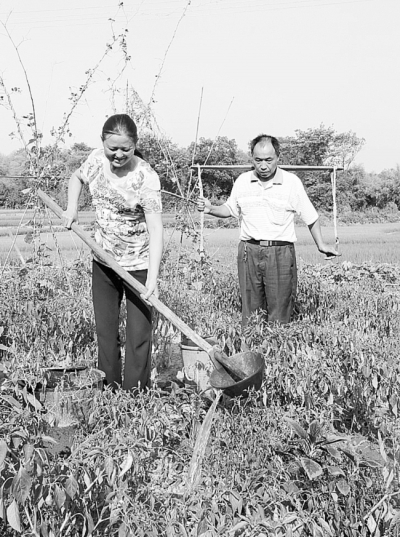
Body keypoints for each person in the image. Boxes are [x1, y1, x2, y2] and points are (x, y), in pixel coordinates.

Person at [62, 114, 163, 391]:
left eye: (125, 149)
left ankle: (135, 396)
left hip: (138, 265)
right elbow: (76, 178)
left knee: (138, 335)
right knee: (106, 332)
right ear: (103, 142)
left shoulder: (146, 177)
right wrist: (72, 208)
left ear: (135, 144)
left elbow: (156, 230)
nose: (118, 154)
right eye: (112, 148)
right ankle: (107, 390)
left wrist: (151, 279)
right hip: (103, 260)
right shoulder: (95, 160)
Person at [197, 134, 340, 327]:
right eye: (258, 160)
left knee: (280, 311)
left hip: (279, 253)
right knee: (251, 312)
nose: (263, 166)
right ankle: (251, 354)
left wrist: (321, 244)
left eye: (268, 160)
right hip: (249, 251)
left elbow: (310, 216)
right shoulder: (242, 181)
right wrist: (210, 209)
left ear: (278, 158)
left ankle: (276, 354)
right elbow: (230, 209)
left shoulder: (291, 183)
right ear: (252, 159)